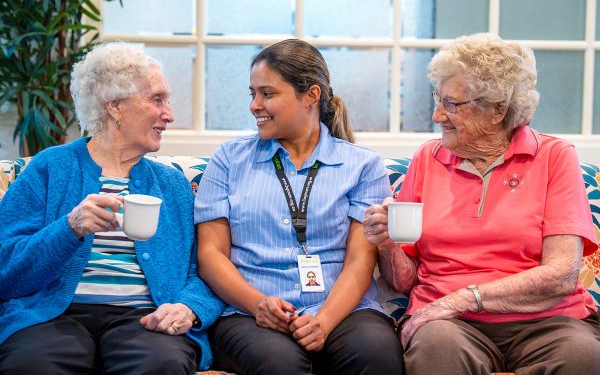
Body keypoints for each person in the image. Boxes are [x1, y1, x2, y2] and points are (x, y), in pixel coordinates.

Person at [363, 33, 600, 374]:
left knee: (582, 355)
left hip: (548, 322)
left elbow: (561, 275)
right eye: (437, 98)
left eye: (452, 103)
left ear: (498, 110)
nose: (437, 115)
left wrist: (463, 297)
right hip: (450, 323)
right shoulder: (428, 159)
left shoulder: (554, 157)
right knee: (437, 347)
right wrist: (387, 246)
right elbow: (404, 281)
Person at [0, 42, 224, 374]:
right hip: (53, 315)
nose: (170, 114)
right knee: (33, 364)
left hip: (145, 318)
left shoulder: (173, 185)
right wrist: (69, 228)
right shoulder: (51, 168)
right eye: (157, 99)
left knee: (162, 363)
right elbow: (6, 270)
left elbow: (205, 270)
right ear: (116, 106)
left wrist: (189, 308)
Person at [195, 39, 404, 375]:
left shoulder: (362, 166)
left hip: (342, 309)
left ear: (311, 96)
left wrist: (323, 321)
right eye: (253, 94)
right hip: (250, 312)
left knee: (376, 354)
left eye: (268, 93)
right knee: (280, 364)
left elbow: (359, 262)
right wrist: (257, 304)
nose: (255, 105)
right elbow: (211, 255)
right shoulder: (229, 160)